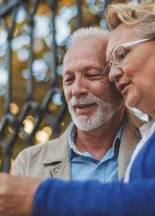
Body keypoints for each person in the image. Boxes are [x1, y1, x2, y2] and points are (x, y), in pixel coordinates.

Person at [1, 3, 155, 216]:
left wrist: (40, 196)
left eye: (121, 55)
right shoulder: (152, 133)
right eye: (68, 80)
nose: (114, 74)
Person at [12, 27, 144, 182]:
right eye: (69, 79)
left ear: (118, 78)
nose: (76, 90)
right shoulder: (29, 164)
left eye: (92, 75)